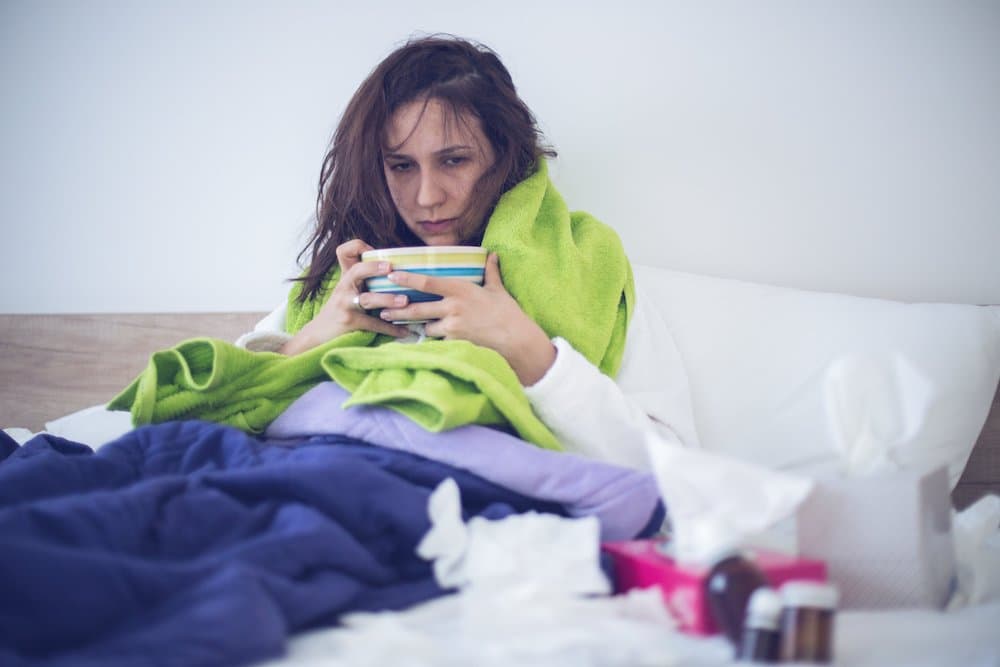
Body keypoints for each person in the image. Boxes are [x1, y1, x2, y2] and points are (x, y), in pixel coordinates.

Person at [238, 35, 699, 470]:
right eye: (401, 166)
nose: (427, 197)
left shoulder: (590, 269)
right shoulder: (343, 281)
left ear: (502, 158)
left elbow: (679, 475)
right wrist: (310, 341)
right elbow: (223, 421)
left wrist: (533, 356)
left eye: (454, 160)